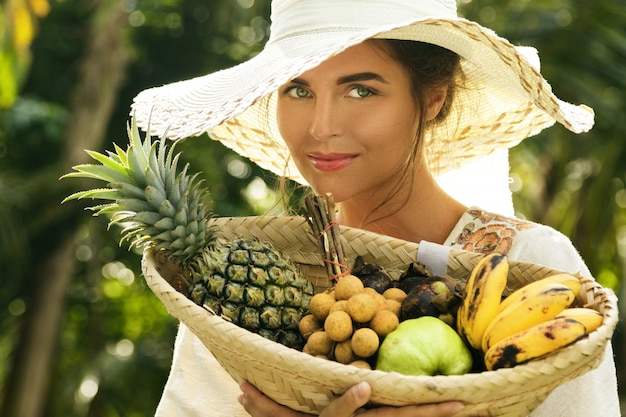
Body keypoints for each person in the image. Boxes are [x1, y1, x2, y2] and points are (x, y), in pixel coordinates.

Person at [130, 1, 620, 416]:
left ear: (432, 98)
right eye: (298, 89)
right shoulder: (241, 283)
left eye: (361, 90)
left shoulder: (531, 270)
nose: (320, 127)